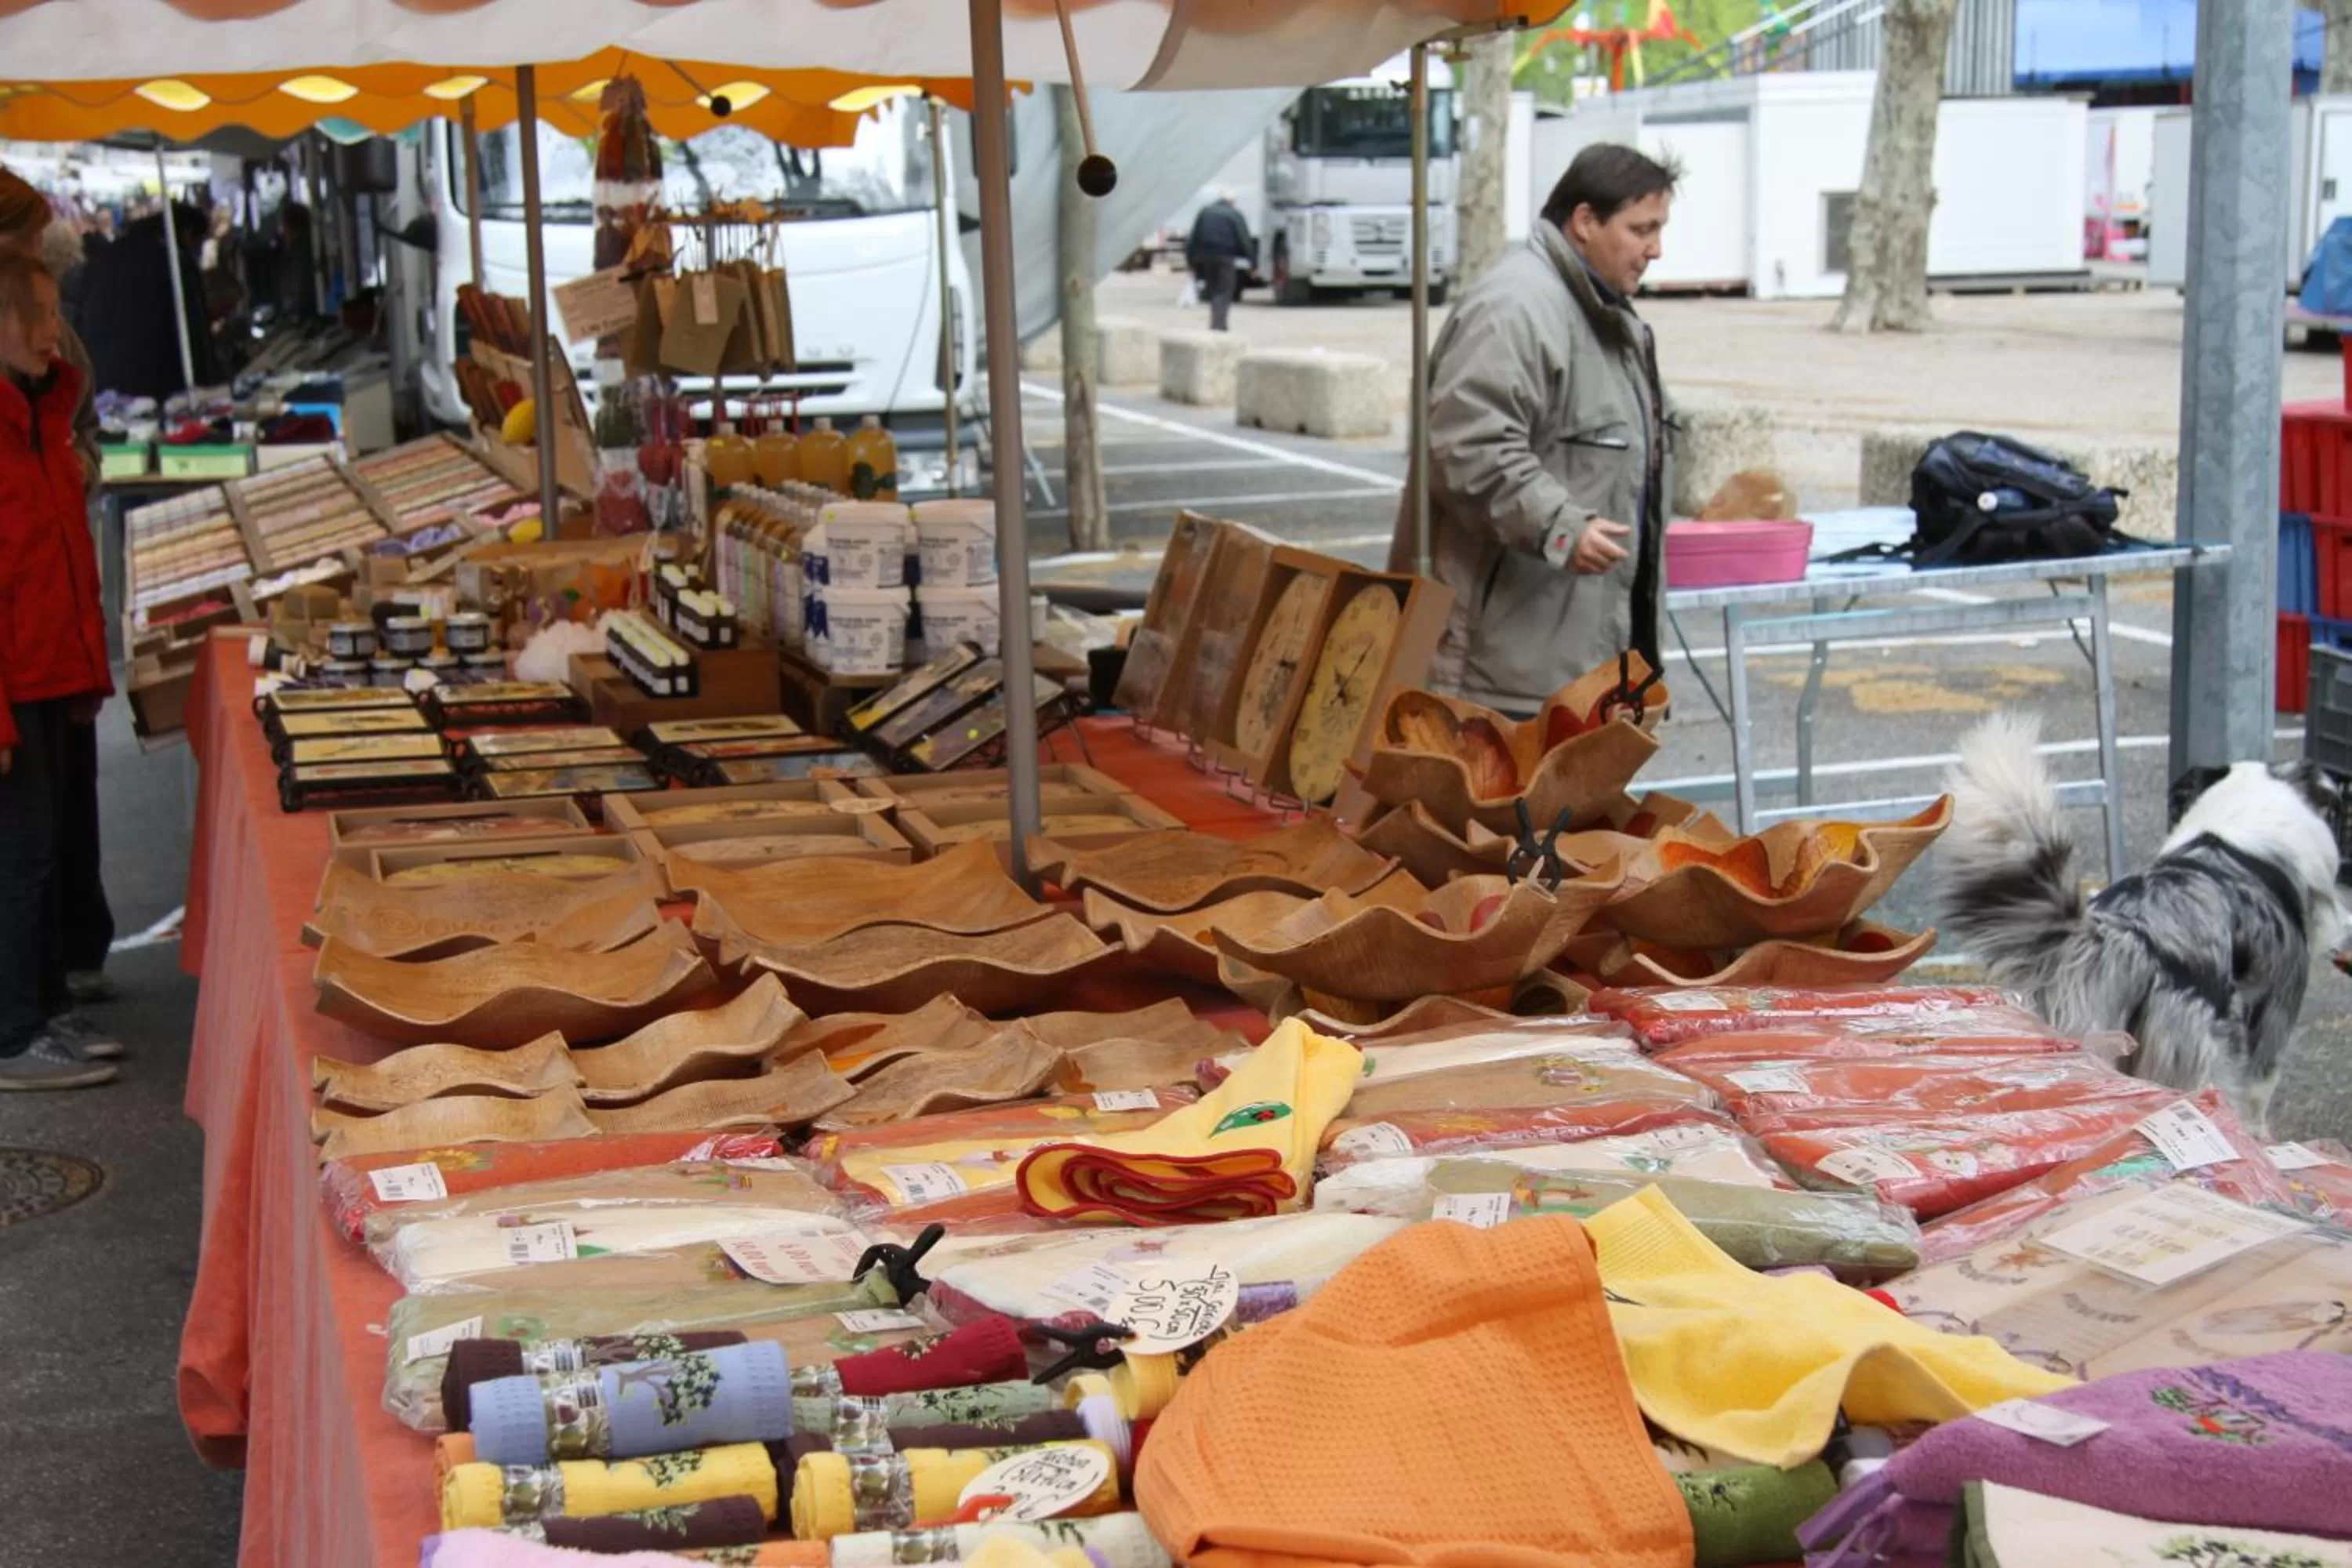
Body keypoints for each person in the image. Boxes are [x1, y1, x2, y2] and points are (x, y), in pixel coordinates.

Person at [1393, 143, 1677, 714]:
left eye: (1659, 230)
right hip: (1498, 675)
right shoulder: (1517, 308)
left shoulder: (1596, 309)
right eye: (1641, 229)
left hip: (1568, 668)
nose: (1656, 250)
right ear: (1585, 222)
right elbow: (1469, 448)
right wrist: (1561, 527)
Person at [0, 252, 121, 1090]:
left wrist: (84, 672)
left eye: (54, 310)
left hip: (48, 672)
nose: (55, 330)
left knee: (41, 853)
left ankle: (44, 1011)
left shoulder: (44, 415)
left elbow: (61, 558)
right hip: (14, 685)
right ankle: (14, 1037)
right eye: (37, 314)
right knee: (19, 860)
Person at [1186, 191, 1253, 332]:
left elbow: (1193, 237)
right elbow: (1244, 239)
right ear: (1232, 202)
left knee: (1214, 289)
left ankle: (1215, 323)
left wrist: (1190, 261)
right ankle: (1219, 325)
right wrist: (1253, 262)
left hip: (1205, 257)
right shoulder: (1234, 214)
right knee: (1224, 291)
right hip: (1225, 257)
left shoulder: (1205, 212)